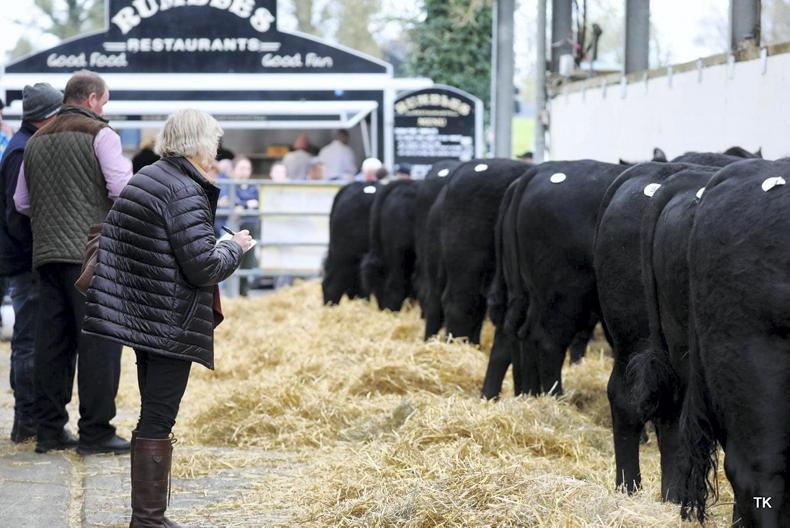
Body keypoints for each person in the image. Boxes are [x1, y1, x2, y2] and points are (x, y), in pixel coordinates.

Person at [82, 108, 251, 528]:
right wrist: (235, 247)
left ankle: (148, 516)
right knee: (158, 417)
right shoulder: (184, 189)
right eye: (214, 141)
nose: (216, 149)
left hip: (145, 315)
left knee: (153, 413)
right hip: (168, 320)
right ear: (198, 142)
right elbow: (203, 267)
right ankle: (148, 519)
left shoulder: (149, 177)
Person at [14, 70, 131, 455]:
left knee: (53, 344)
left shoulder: (36, 140)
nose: (105, 110)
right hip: (93, 255)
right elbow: (122, 190)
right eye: (105, 102)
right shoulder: (102, 134)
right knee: (100, 343)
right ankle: (96, 433)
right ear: (93, 99)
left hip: (47, 255)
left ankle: (49, 431)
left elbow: (21, 203)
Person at [0, 83, 62, 443]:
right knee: (28, 341)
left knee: (30, 339)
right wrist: (37, 251)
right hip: (26, 261)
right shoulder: (23, 151)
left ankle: (28, 419)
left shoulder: (22, 145)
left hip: (22, 257)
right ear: (46, 116)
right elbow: (16, 213)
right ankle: (27, 420)